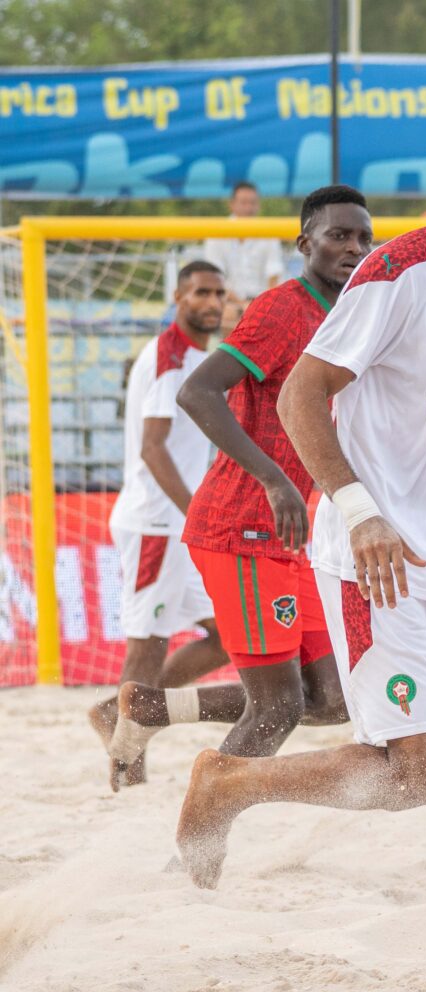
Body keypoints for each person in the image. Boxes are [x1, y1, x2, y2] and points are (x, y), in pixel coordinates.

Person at [174, 95, 426, 982]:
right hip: (372, 549)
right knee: (423, 771)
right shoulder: (404, 265)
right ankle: (227, 782)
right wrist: (358, 508)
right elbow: (300, 394)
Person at [109, 186, 373, 774]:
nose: (353, 248)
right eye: (338, 235)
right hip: (242, 526)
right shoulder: (285, 307)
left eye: (362, 237)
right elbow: (196, 391)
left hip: (291, 534)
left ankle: (148, 705)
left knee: (331, 699)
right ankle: (204, 829)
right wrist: (276, 479)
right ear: (305, 243)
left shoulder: (347, 315)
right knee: (277, 708)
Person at [89, 261, 231, 792]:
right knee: (146, 643)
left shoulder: (199, 355)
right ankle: (130, 764)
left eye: (218, 292)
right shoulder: (170, 354)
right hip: (156, 520)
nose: (211, 301)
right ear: (177, 296)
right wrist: (197, 510)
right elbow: (153, 447)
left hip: (179, 524)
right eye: (201, 292)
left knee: (227, 637)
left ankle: (119, 709)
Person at [202, 182, 285, 333]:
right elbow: (216, 280)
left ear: (258, 206)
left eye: (253, 203)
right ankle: (232, 355)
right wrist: (241, 304)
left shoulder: (270, 232)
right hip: (229, 301)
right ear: (232, 205)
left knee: (277, 314)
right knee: (228, 313)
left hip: (262, 301)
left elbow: (274, 277)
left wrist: (261, 305)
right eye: (243, 202)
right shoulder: (216, 233)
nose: (248, 208)